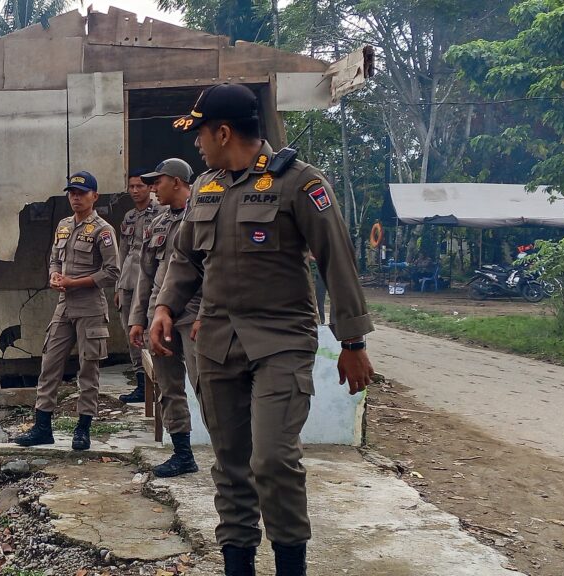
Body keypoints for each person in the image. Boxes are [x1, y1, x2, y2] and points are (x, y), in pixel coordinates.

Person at [152, 83, 375, 576]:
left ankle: (290, 565)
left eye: (201, 133)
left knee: (272, 461)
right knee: (231, 468)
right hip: (217, 346)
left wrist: (352, 342)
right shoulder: (207, 187)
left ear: (224, 131)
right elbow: (184, 257)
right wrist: (166, 305)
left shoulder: (299, 182)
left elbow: (337, 259)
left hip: (281, 343)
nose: (197, 144)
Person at [13, 171, 121, 451]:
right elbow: (54, 259)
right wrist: (54, 276)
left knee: (88, 368)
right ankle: (42, 427)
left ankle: (83, 428)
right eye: (72, 193)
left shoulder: (103, 231)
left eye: (81, 193)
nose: (75, 197)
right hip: (64, 306)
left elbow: (112, 272)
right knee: (50, 364)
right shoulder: (63, 225)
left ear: (94, 196)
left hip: (90, 307)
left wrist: (75, 282)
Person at [128, 158, 200, 477]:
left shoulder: (203, 215)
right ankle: (182, 453)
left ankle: (237, 455)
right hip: (160, 316)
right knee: (168, 385)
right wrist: (138, 319)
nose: (152, 188)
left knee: (208, 385)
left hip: (196, 312)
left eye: (158, 181)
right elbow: (147, 274)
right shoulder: (156, 223)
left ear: (177, 182)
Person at [117, 168, 160, 403]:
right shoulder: (129, 217)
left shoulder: (161, 213)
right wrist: (117, 286)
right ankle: (141, 383)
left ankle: (156, 381)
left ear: (150, 188)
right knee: (130, 330)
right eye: (131, 186)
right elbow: (123, 251)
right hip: (127, 280)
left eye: (139, 186)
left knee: (148, 330)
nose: (135, 191)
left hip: (150, 281)